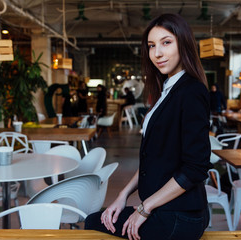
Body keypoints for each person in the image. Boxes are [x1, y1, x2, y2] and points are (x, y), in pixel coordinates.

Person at [85, 13, 212, 240]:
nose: (157, 53)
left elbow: (195, 168)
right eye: (152, 46)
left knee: (93, 222)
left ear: (183, 43)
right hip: (164, 208)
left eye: (166, 43)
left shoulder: (191, 91)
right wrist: (123, 195)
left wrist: (145, 208)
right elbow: (154, 159)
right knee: (103, 217)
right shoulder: (167, 89)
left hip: (181, 216)